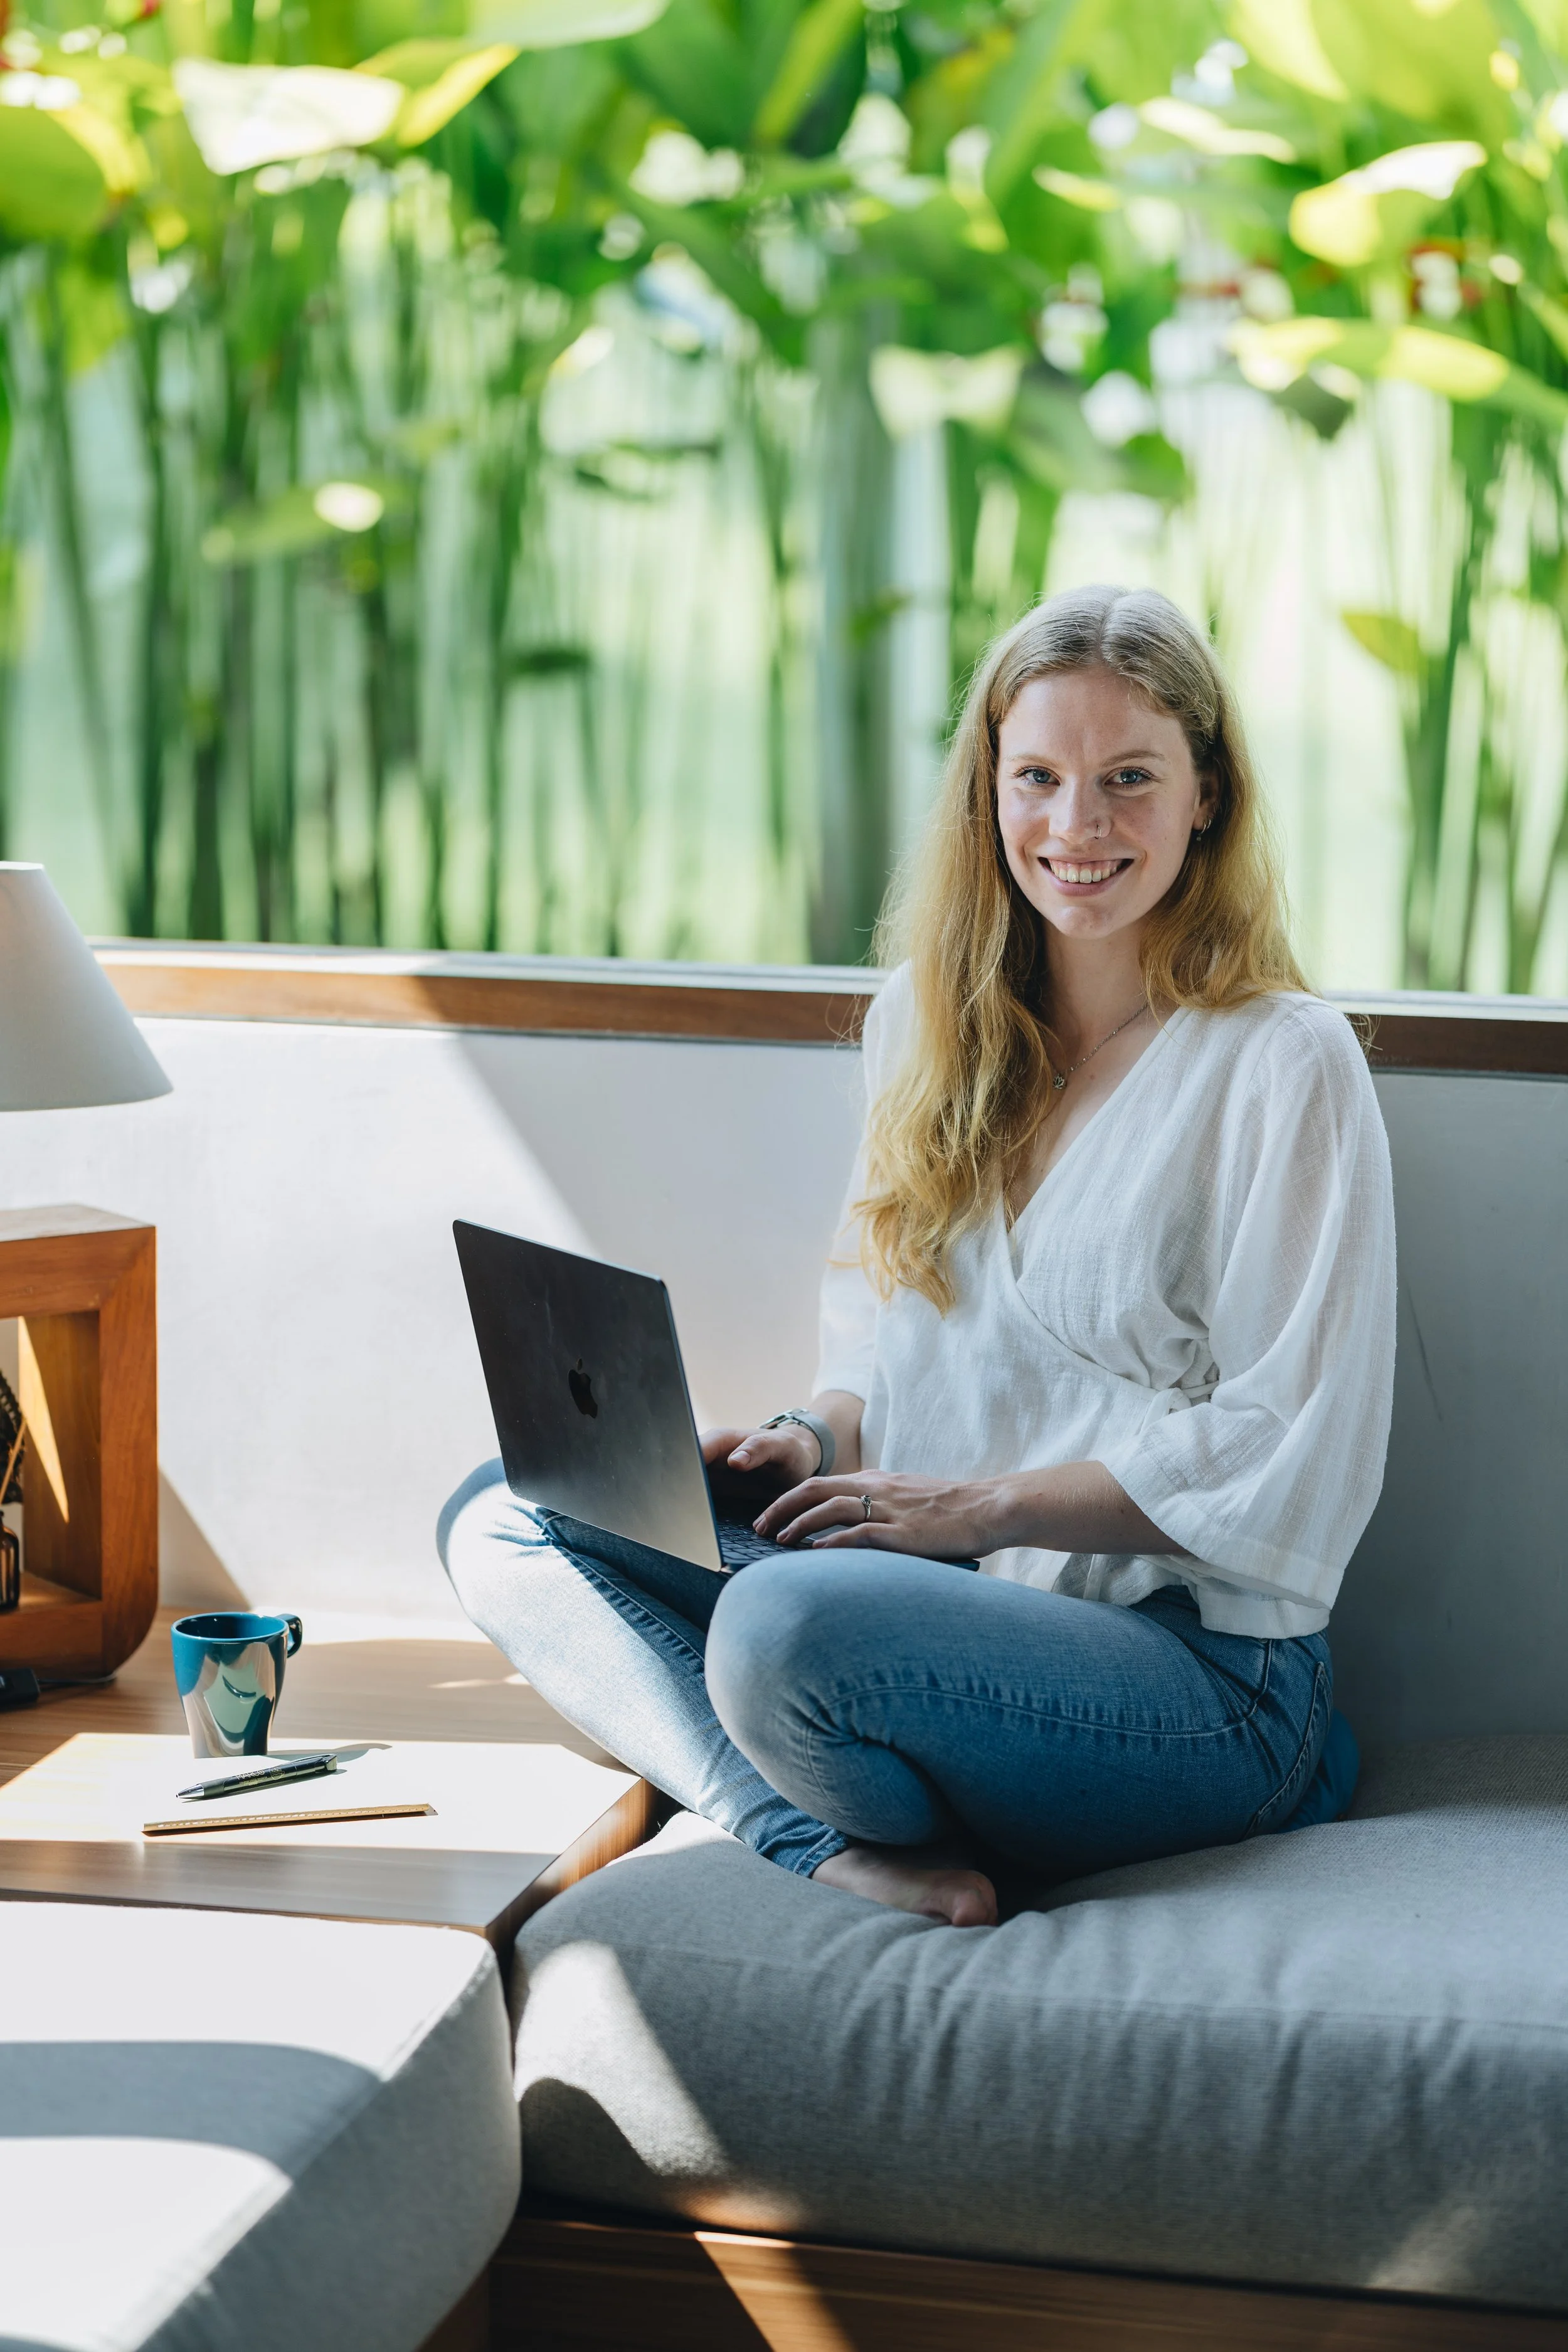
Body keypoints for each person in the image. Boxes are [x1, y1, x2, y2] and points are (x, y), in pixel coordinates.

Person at [440, 584, 1396, 1929]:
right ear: (986, 795)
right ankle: (818, 1839)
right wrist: (807, 1439)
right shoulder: (926, 1029)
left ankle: (820, 1765)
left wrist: (981, 1508)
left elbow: (1285, 1449)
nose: (1077, 827)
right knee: (511, 1510)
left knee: (785, 1640)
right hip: (937, 1608)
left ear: (1206, 799)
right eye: (1038, 778)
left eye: (1129, 779)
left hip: (1200, 1682)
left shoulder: (1278, 1061)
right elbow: (883, 1355)